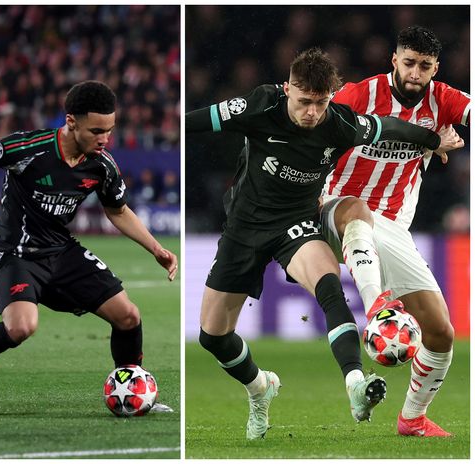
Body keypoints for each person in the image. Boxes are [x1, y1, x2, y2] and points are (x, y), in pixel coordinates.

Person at [185, 48, 462, 439]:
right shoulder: (260, 105)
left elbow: (391, 127)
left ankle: (355, 384)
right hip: (243, 229)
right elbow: (196, 123)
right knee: (212, 336)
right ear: (287, 90)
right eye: (303, 102)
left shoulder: (340, 123)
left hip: (296, 223)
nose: (312, 113)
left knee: (329, 287)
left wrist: (433, 140)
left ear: (330, 97)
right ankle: (260, 388)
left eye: (320, 103)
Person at [0, 80, 178, 417]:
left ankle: (133, 388)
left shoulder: (101, 165)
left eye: (110, 129)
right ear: (71, 122)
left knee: (128, 315)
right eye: (97, 130)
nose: (105, 139)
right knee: (21, 327)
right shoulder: (28, 147)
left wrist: (156, 249)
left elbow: (117, 210)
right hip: (14, 253)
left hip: (61, 251)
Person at [320, 26, 470, 437]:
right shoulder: (360, 94)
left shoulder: (445, 100)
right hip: (335, 206)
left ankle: (412, 419)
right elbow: (312, 126)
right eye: (409, 63)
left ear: (435, 68)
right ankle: (377, 309)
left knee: (440, 332)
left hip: (392, 229)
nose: (415, 73)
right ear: (394, 60)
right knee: (356, 209)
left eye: (425, 66)